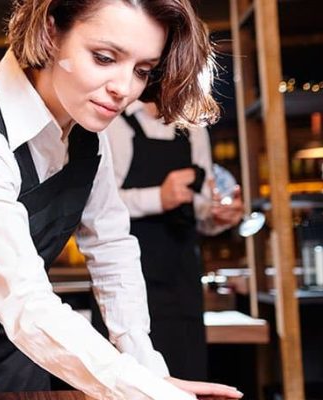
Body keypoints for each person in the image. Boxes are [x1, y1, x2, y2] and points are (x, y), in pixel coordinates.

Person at [0, 0, 243, 398]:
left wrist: (147, 369)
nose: (124, 89)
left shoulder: (88, 137)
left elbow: (111, 246)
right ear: (51, 32)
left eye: (142, 71)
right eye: (104, 57)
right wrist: (146, 393)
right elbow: (22, 300)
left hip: (28, 354)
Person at [99, 100, 244, 381]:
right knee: (130, 383)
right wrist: (159, 198)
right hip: (125, 278)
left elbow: (200, 208)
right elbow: (97, 206)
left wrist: (219, 216)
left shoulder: (193, 128)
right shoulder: (112, 122)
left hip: (182, 281)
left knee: (187, 375)